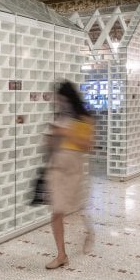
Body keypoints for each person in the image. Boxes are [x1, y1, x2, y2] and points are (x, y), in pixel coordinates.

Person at [44, 80, 94, 269]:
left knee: (75, 207)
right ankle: (61, 255)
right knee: (57, 212)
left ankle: (89, 231)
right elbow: (51, 142)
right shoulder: (59, 116)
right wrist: (51, 137)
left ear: (67, 97)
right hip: (56, 166)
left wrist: (66, 132)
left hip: (73, 167)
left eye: (60, 97)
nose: (58, 101)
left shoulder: (84, 118)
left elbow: (87, 146)